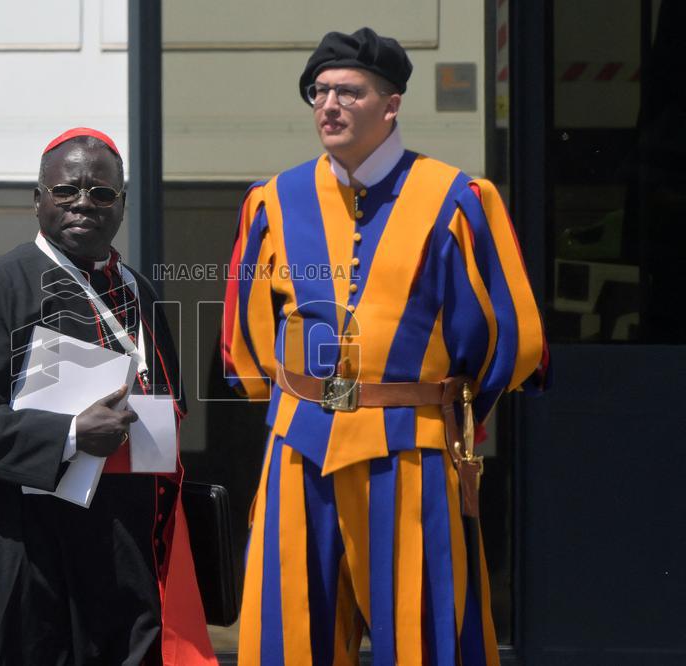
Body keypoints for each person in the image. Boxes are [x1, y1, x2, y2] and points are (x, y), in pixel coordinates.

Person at [221, 29, 550, 665]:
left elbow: (504, 337)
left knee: (424, 638)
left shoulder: (454, 199)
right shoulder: (275, 200)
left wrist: (444, 410)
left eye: (349, 92)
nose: (329, 105)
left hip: (412, 452)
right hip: (298, 447)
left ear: (391, 104)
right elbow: (249, 332)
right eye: (319, 92)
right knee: (291, 640)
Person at [0, 128, 216, 666]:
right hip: (32, 548)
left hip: (129, 548)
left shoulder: (138, 289)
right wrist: (68, 435)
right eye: (66, 190)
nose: (83, 203)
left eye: (101, 193)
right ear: (38, 199)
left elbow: (165, 410)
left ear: (121, 204)